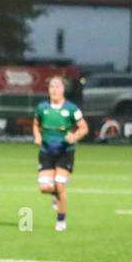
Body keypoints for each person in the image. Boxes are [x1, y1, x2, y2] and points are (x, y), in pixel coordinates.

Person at [33, 75, 89, 231]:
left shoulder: (71, 109)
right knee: (44, 188)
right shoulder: (42, 107)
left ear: (63, 89)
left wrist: (75, 136)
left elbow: (84, 128)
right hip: (46, 151)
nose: (54, 89)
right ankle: (55, 193)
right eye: (52, 86)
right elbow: (36, 124)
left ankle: (61, 221)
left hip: (65, 152)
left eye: (57, 86)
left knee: (60, 185)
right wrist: (37, 136)